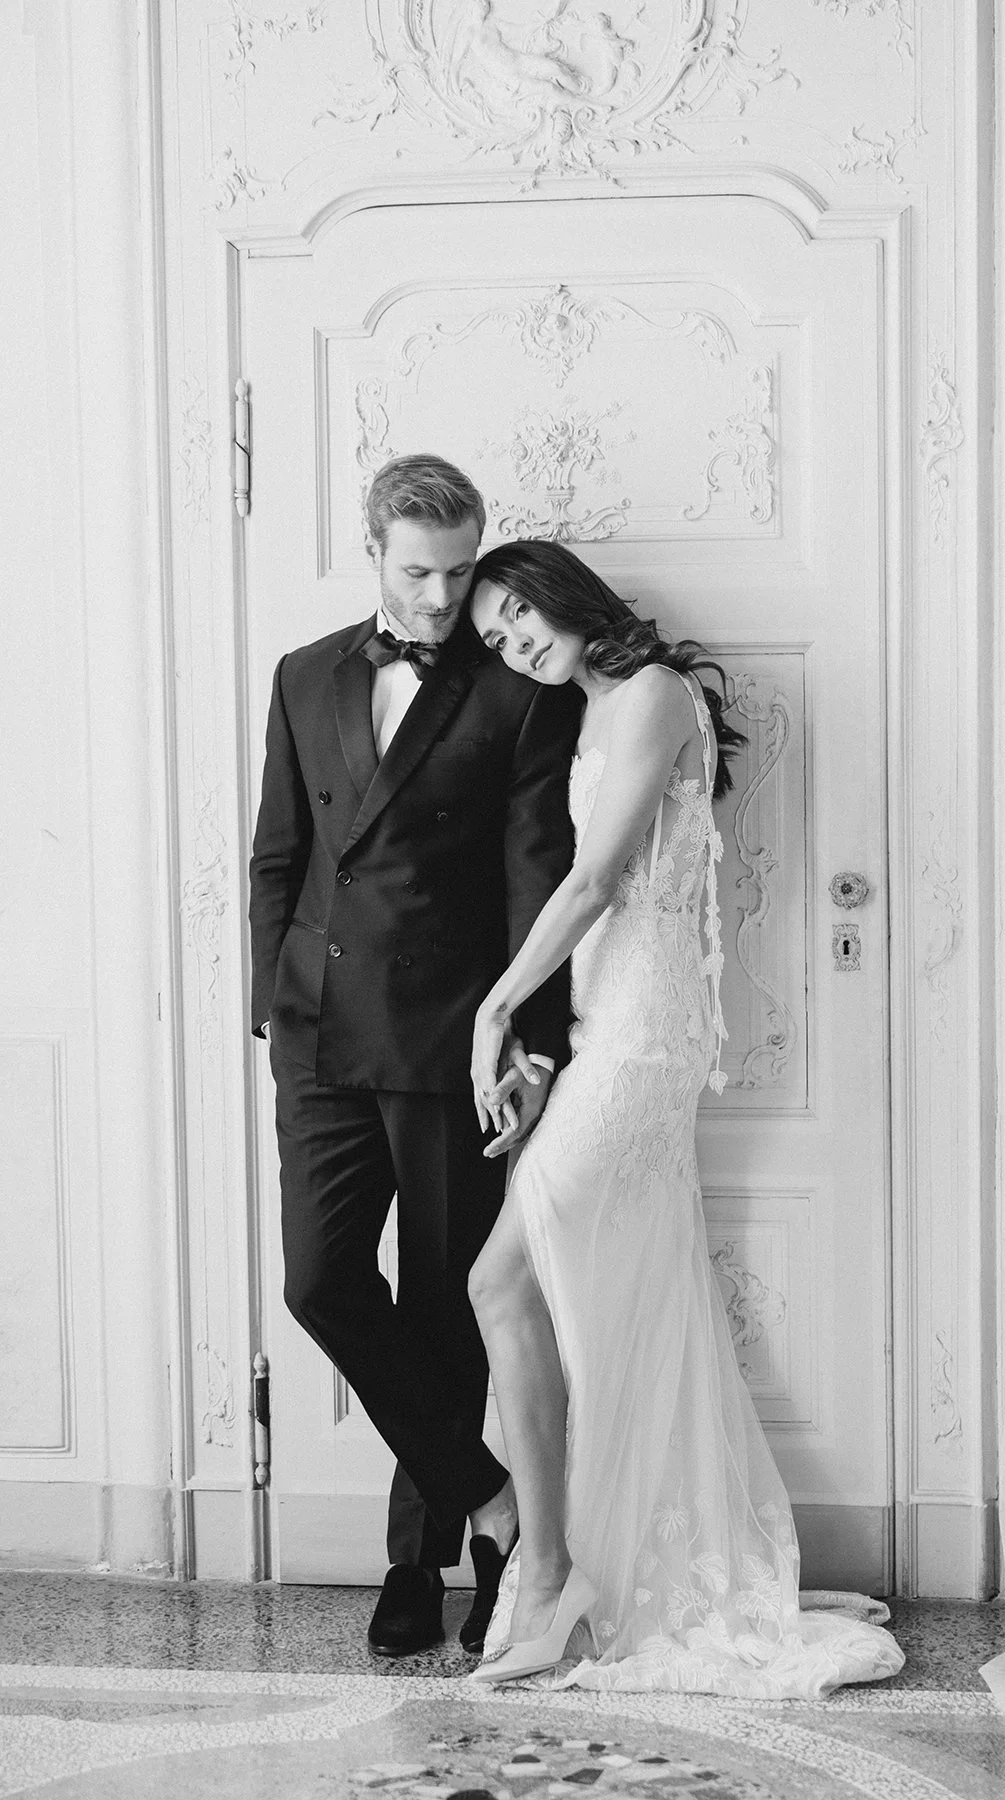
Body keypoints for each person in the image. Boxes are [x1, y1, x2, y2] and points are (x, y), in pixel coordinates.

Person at [464, 539, 905, 1693]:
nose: (514, 644)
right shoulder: (597, 706)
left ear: (560, 590)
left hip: (646, 1037)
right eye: (495, 639)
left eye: (518, 615)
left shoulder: (652, 692)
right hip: (612, 1028)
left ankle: (551, 1577)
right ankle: (598, 1563)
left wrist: (497, 1012)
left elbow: (597, 881)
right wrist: (548, 1040)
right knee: (573, 1291)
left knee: (501, 1282)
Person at [248, 457, 579, 1660]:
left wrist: (532, 1049)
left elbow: (538, 879)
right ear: (374, 551)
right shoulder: (304, 673)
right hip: (319, 1034)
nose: (442, 599)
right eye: (419, 573)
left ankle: (424, 1564)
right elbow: (278, 854)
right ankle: (490, 1504)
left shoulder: (520, 690)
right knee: (321, 1283)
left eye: (459, 571)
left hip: (454, 1039)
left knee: (446, 1306)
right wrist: (270, 1006)